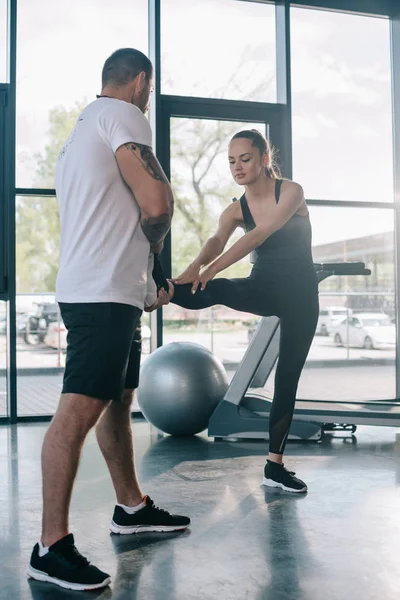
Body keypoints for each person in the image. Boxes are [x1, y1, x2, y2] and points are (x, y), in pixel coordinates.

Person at [27, 48, 190, 592]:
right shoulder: (123, 114)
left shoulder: (79, 132)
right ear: (141, 81)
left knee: (118, 400)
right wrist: (158, 250)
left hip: (103, 290)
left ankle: (131, 506)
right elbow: (157, 202)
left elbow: (111, 213)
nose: (149, 97)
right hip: (102, 296)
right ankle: (50, 546)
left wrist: (146, 279)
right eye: (150, 88)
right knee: (76, 414)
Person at [169, 129, 319, 494]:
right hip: (262, 288)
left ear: (265, 159)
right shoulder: (236, 209)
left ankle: (275, 465)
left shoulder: (292, 192)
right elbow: (217, 239)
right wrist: (196, 268)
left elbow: (260, 234)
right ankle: (162, 291)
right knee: (214, 289)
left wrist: (213, 266)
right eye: (231, 161)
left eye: (245, 159)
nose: (237, 167)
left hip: (301, 296)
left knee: (287, 379)